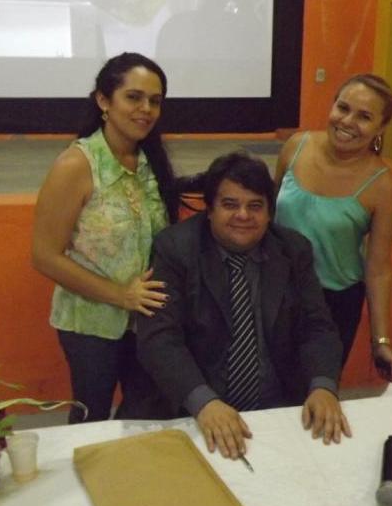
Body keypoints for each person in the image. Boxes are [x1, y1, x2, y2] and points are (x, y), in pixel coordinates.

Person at [131, 151, 351, 460]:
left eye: (255, 206)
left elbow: (317, 328)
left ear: (270, 213)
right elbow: (159, 339)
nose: (243, 215)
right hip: (195, 409)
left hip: (278, 409)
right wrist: (204, 402)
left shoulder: (293, 250)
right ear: (209, 209)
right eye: (230, 204)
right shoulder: (176, 248)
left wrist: (323, 386)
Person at [31, 52, 180, 423]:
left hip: (146, 320)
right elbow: (45, 255)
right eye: (134, 97)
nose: (146, 109)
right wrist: (120, 295)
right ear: (103, 100)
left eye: (155, 101)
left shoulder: (150, 162)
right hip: (90, 323)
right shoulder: (76, 165)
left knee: (145, 415)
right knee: (91, 419)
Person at [274, 73, 392, 384]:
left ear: (381, 128)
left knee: (314, 393)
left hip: (332, 306)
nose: (347, 122)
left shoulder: (383, 186)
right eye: (343, 108)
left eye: (364, 117)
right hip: (274, 292)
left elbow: (378, 269)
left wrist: (381, 342)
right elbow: (266, 217)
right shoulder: (296, 146)